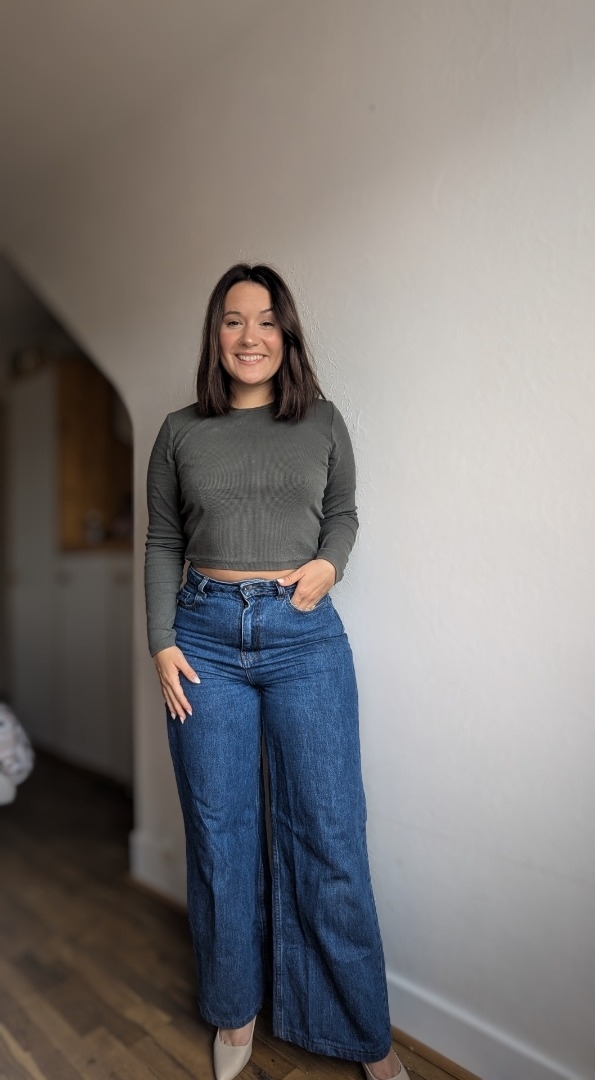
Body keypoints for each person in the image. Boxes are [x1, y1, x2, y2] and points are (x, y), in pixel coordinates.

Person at [144, 264, 407, 1080]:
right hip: (202, 642)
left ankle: (363, 1035)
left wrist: (329, 565)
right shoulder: (179, 431)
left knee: (329, 835)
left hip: (302, 638)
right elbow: (162, 540)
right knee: (221, 836)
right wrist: (160, 641)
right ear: (215, 334)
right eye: (233, 320)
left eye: (265, 320)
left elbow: (343, 512)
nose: (249, 336)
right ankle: (235, 1012)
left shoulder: (322, 421)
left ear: (285, 335)